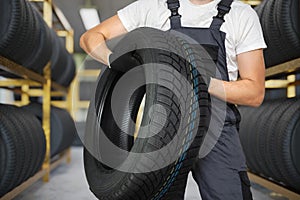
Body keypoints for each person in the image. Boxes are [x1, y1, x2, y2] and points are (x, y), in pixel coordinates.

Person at [80, 0, 266, 199]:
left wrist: (198, 79)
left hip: (217, 130)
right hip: (163, 131)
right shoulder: (153, 7)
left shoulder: (240, 14)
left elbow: (254, 92)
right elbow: (90, 38)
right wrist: (115, 61)